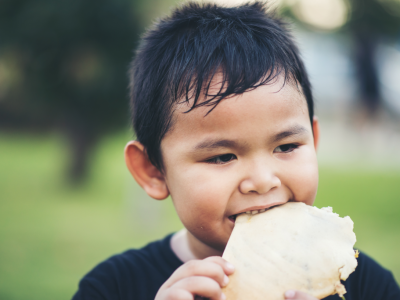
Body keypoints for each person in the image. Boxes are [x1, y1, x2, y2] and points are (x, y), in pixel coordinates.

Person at [72, 2, 400, 300]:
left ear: (313, 141)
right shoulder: (113, 287)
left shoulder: (364, 284)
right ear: (154, 171)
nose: (262, 180)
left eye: (286, 146)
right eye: (221, 156)